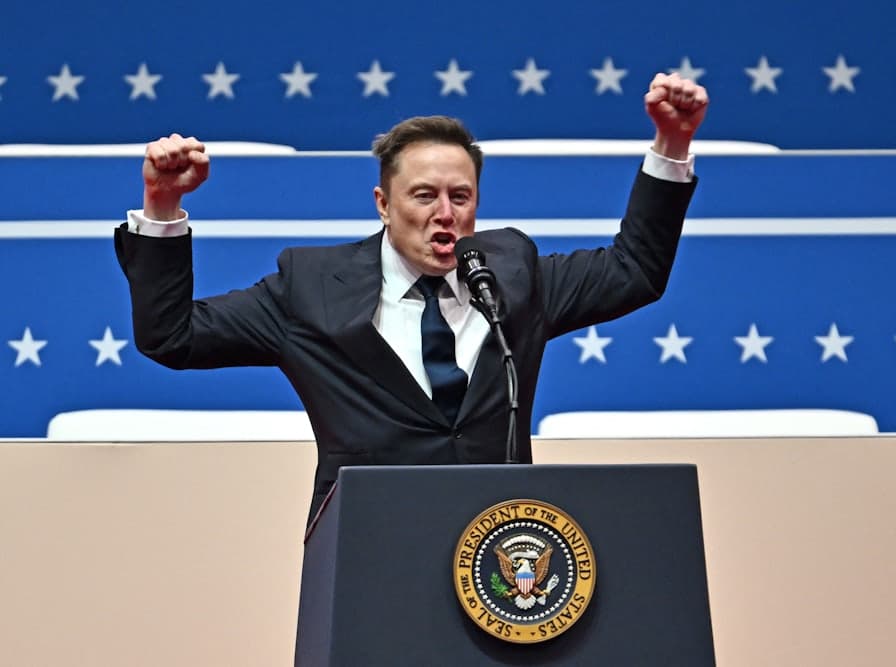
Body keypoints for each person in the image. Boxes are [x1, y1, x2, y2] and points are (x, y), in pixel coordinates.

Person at [114, 72, 709, 524]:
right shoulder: (311, 287)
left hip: (500, 550)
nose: (444, 214)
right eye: (424, 196)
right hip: (367, 547)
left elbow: (634, 271)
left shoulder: (511, 274)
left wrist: (672, 144)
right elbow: (172, 336)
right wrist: (162, 207)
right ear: (383, 203)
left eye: (460, 197)